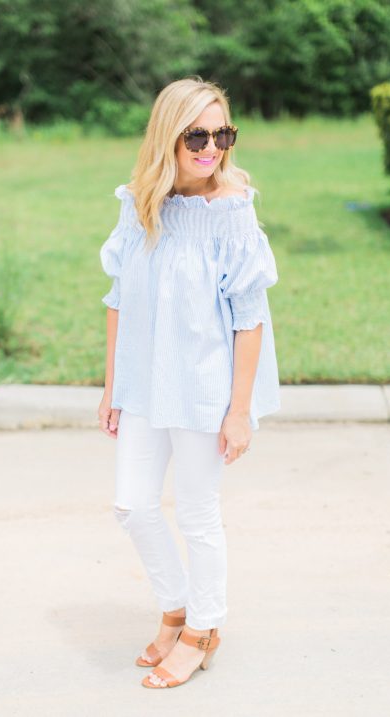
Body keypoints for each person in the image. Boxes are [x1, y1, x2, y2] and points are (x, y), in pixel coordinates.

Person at [98, 76, 280, 689]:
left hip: (205, 385)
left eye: (222, 134)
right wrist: (111, 386)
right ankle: (176, 607)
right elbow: (119, 297)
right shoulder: (139, 202)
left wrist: (238, 409)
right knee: (132, 503)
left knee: (199, 515)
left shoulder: (231, 209)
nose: (212, 148)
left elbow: (249, 318)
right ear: (167, 138)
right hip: (146, 382)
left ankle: (203, 628)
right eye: (197, 135)